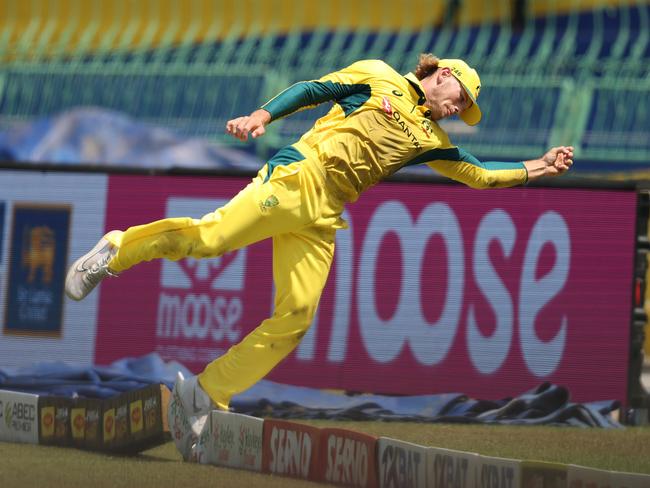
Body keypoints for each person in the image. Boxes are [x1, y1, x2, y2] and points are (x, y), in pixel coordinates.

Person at [64, 54, 573, 460]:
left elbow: (480, 174)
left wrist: (539, 167)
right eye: (460, 100)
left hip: (324, 214)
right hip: (297, 177)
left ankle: (204, 393)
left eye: (463, 111)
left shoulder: (431, 140)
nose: (457, 111)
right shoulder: (379, 77)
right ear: (443, 77)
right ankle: (116, 248)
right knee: (206, 240)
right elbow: (314, 89)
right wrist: (261, 116)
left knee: (296, 317)